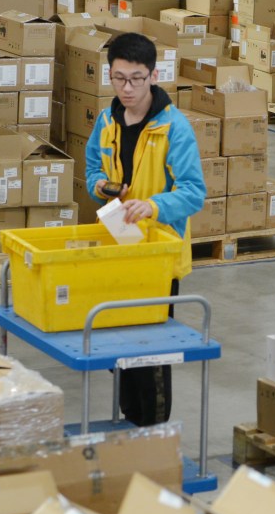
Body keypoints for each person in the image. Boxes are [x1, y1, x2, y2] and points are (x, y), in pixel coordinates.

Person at [84, 31, 206, 427]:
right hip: (117, 246)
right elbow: (91, 171)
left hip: (157, 256)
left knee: (150, 350)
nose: (127, 88)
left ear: (154, 75)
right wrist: (100, 186)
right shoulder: (106, 121)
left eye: (137, 78)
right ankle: (127, 421)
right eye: (119, 78)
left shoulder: (174, 129)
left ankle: (152, 431)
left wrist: (154, 206)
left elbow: (193, 193)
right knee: (117, 342)